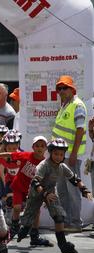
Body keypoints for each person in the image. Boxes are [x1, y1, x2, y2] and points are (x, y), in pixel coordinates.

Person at [17, 139, 92, 253]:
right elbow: (35, 182)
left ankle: (63, 244)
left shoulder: (62, 166)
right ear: (50, 153)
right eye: (56, 154)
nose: (58, 157)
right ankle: (25, 230)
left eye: (61, 154)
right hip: (36, 192)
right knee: (28, 220)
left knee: (59, 216)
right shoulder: (44, 165)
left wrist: (84, 190)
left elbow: (75, 179)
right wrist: (45, 194)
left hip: (51, 192)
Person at [0, 135, 51, 246]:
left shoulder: (45, 164)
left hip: (33, 190)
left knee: (37, 212)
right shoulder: (25, 155)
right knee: (17, 207)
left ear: (46, 148)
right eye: (37, 146)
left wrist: (46, 195)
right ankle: (14, 227)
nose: (40, 148)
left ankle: (34, 236)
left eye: (42, 146)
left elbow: (47, 181)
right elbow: (9, 154)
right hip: (19, 186)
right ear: (33, 147)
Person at [51, 75, 87, 232]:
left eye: (64, 88)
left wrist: (72, 154)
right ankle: (65, 222)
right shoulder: (65, 105)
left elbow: (80, 130)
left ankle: (76, 224)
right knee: (62, 190)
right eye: (59, 88)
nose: (61, 91)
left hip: (71, 156)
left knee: (72, 191)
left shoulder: (77, 105)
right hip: (59, 157)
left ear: (72, 89)